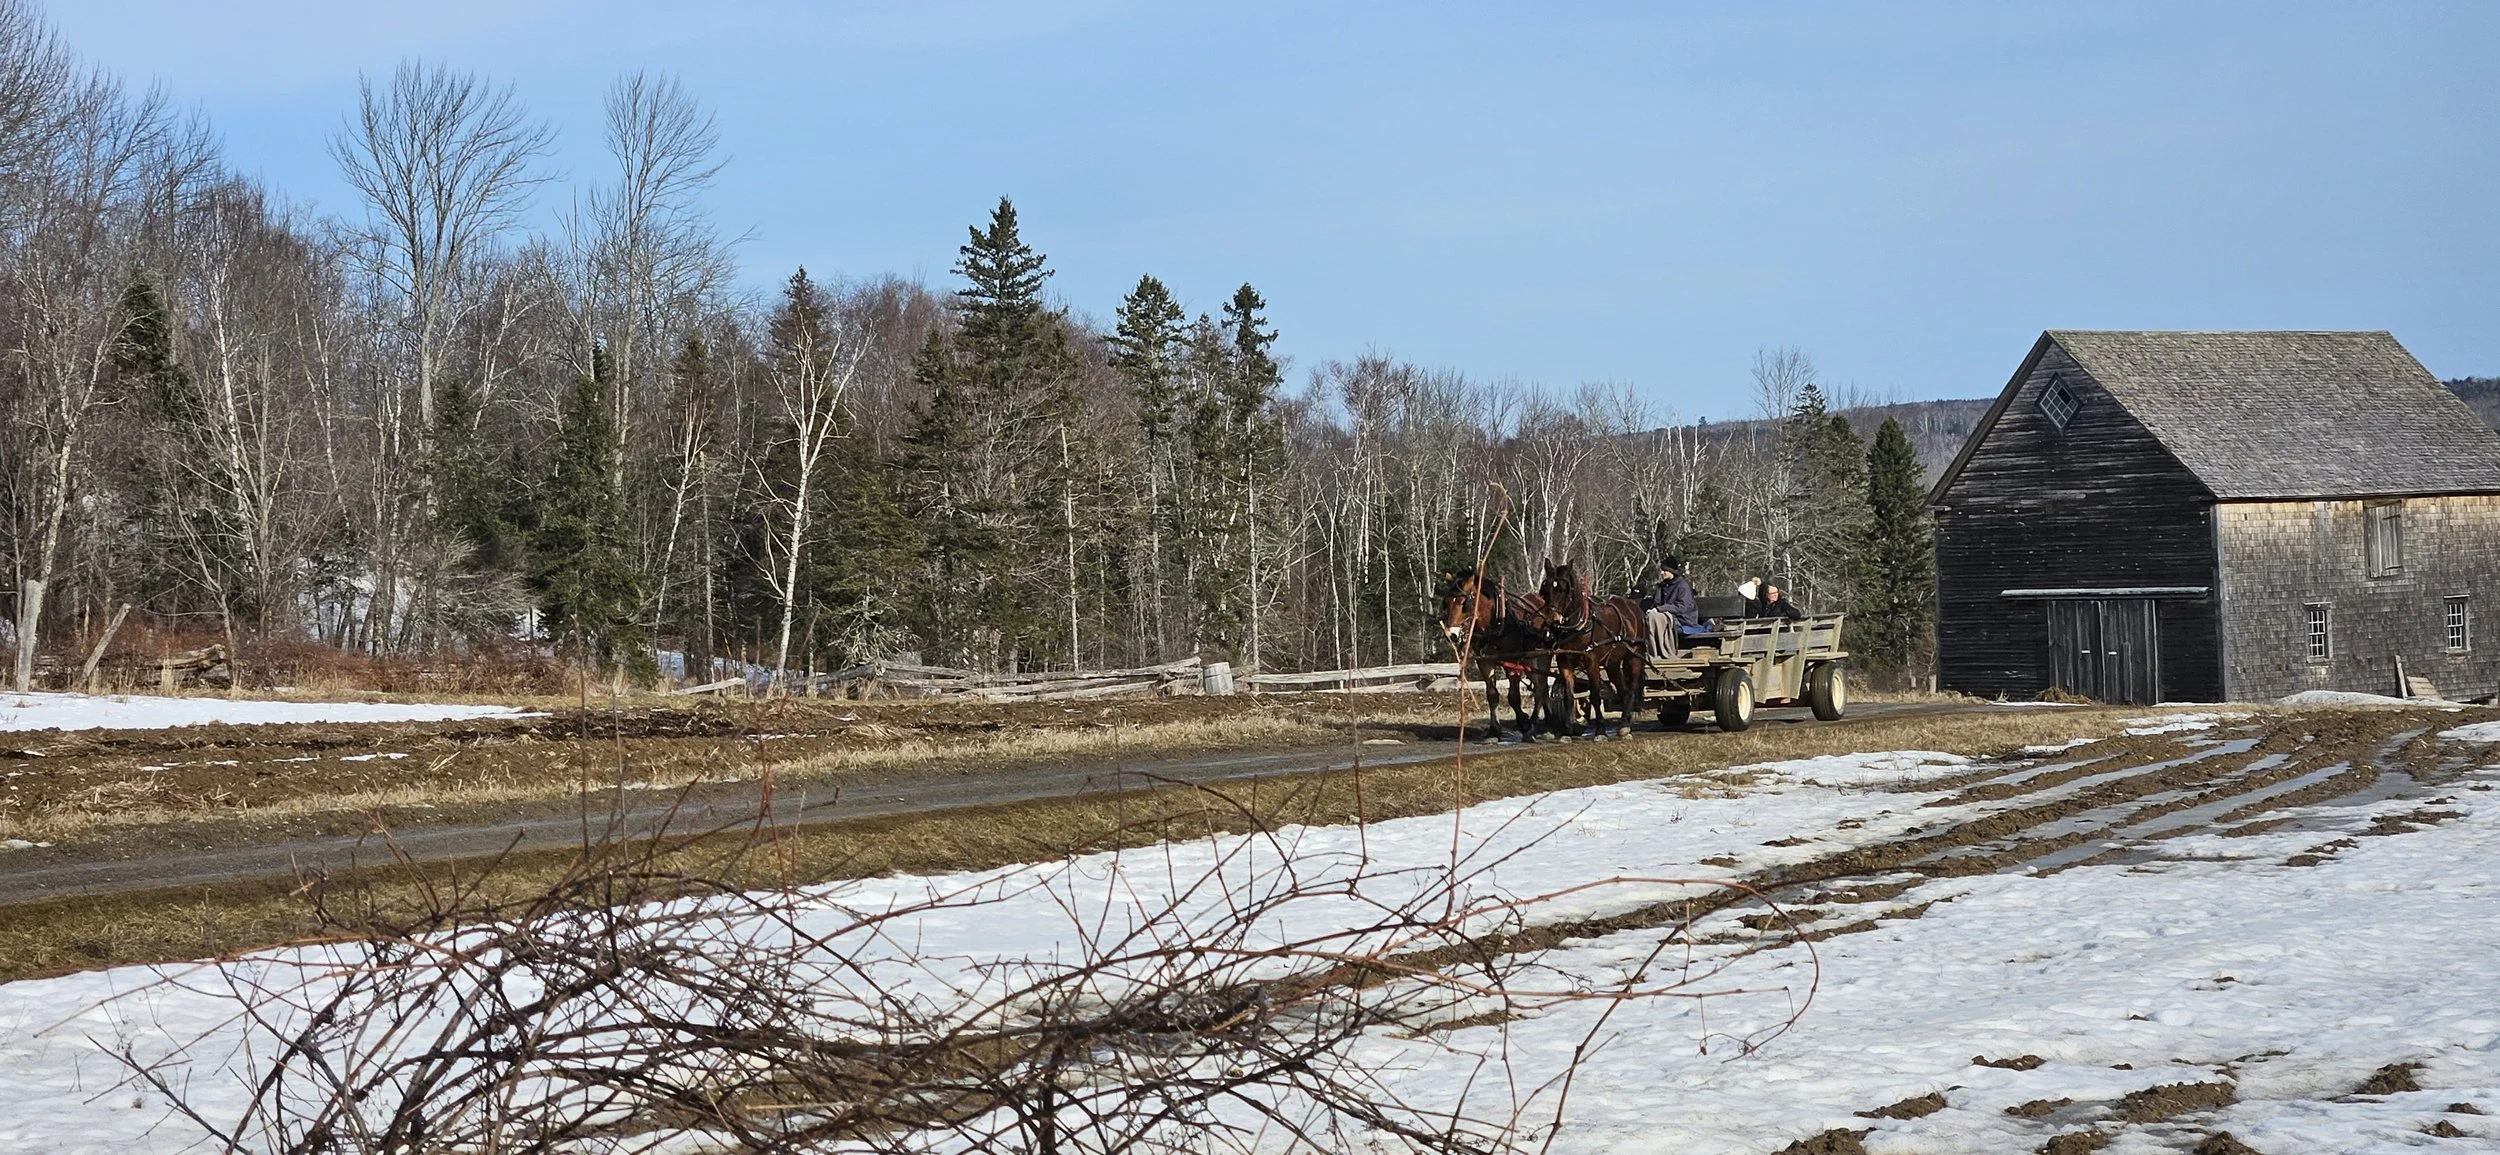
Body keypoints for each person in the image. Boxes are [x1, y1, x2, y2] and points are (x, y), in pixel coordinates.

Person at [1641, 557, 1697, 658]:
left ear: (1672, 571)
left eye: (1664, 570)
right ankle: (1652, 650)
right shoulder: (1662, 586)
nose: (1662, 573)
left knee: (1655, 618)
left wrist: (1659, 610)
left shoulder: (1683, 586)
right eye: (1661, 570)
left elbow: (1682, 607)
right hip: (1667, 615)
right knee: (1651, 618)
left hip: (1683, 619)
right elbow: (1657, 603)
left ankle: (1662, 651)